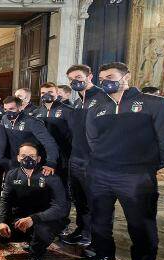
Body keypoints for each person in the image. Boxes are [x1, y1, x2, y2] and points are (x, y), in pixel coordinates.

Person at [77, 62, 164, 260]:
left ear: (126, 77)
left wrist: (147, 165)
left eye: (110, 76)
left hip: (136, 177)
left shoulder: (155, 104)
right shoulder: (97, 107)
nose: (105, 81)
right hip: (101, 173)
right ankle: (104, 258)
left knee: (141, 228)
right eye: (101, 78)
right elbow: (92, 140)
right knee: (99, 221)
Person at [0, 143, 69, 260]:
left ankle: (36, 256)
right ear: (18, 158)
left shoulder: (50, 176)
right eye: (23, 156)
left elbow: (61, 207)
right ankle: (31, 237)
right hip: (23, 216)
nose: (28, 159)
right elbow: (5, 200)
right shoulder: (12, 175)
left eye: (32, 156)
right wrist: (2, 221)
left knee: (42, 230)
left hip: (45, 218)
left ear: (38, 159)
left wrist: (34, 219)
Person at [61, 64, 105, 247]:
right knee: (79, 199)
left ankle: (95, 239)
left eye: (78, 77)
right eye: (71, 79)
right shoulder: (78, 101)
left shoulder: (103, 98)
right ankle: (82, 230)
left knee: (94, 201)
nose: (75, 81)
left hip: (93, 160)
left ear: (90, 76)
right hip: (76, 157)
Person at [32, 83, 73, 195]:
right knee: (44, 185)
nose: (46, 95)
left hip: (63, 155)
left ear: (56, 93)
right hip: (43, 153)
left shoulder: (68, 110)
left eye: (50, 92)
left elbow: (73, 134)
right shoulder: (36, 112)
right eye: (43, 93)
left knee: (61, 186)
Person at [1, 96, 59, 174]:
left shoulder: (33, 122)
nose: (8, 112)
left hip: (32, 162)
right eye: (5, 109)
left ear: (20, 107)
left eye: (11, 109)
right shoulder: (4, 119)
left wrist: (51, 163)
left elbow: (49, 142)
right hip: (14, 161)